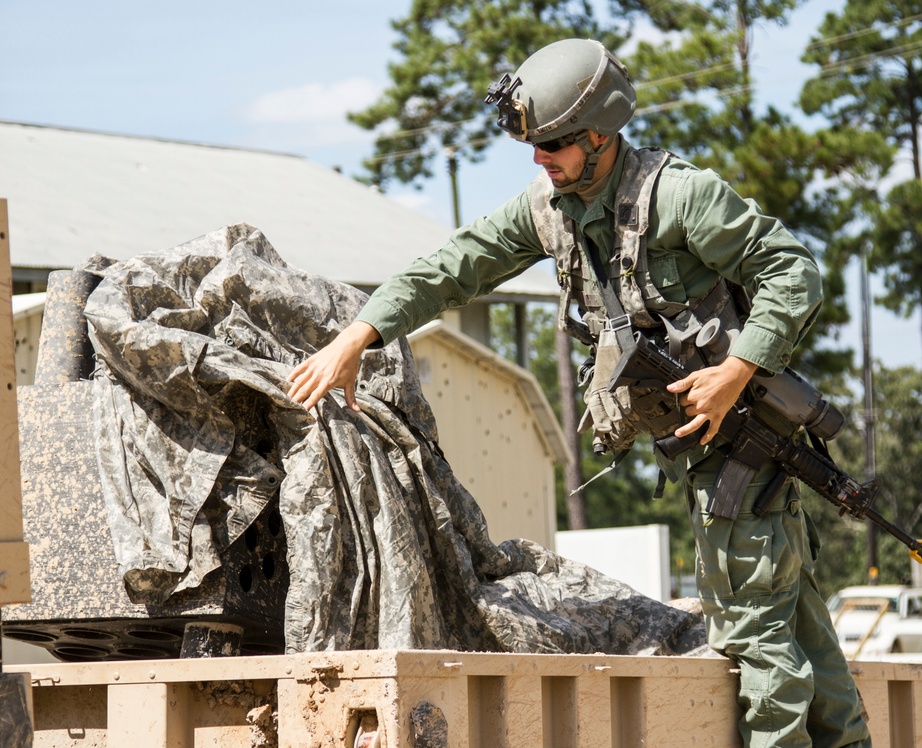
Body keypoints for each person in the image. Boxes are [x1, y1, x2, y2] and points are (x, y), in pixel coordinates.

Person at [288, 38, 870, 748]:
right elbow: (451, 268)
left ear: (601, 134)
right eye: (534, 146)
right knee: (802, 626)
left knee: (756, 639)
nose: (541, 159)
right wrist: (359, 335)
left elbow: (792, 271)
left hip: (742, 440)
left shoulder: (680, 195)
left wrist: (736, 371)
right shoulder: (551, 209)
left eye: (555, 145)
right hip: (695, 446)